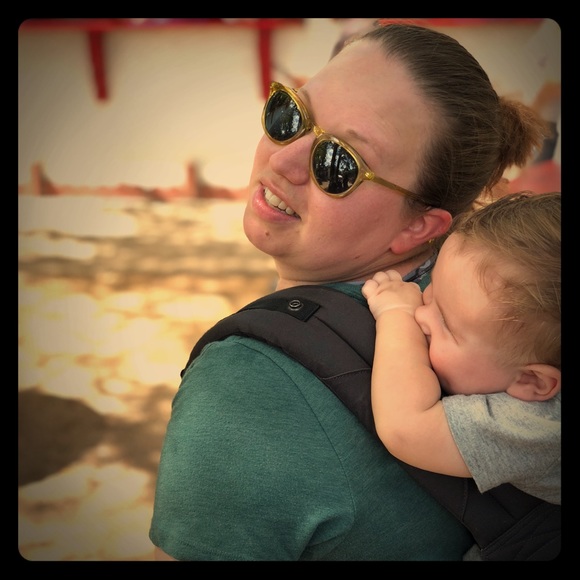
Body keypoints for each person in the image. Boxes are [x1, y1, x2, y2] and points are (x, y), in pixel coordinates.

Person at [149, 22, 548, 561]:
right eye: (291, 115)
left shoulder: (246, 388)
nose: (283, 161)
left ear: (418, 226)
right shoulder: (516, 306)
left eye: (339, 164)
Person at [361, 192, 561, 514]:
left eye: (446, 324)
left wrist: (396, 315)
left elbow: (406, 429)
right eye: (431, 287)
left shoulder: (542, 427)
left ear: (532, 381)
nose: (421, 313)